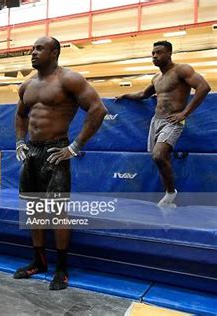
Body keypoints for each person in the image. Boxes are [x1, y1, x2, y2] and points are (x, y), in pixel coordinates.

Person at [15, 36, 107, 290]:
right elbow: (20, 115)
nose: (33, 52)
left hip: (56, 150)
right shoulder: (27, 85)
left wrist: (74, 147)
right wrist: (19, 142)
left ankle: (62, 268)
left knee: (57, 213)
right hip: (31, 152)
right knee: (33, 210)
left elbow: (98, 109)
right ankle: (38, 261)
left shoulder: (70, 79)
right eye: (32, 48)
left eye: (39, 48)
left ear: (54, 52)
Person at [116, 41, 210, 207]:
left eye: (159, 52)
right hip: (156, 120)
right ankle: (168, 194)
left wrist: (184, 113)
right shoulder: (156, 78)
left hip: (172, 121)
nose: (155, 56)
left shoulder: (182, 70)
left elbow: (204, 87)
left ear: (169, 53)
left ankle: (170, 193)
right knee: (159, 158)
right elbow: (143, 94)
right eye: (153, 53)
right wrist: (125, 95)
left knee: (159, 154)